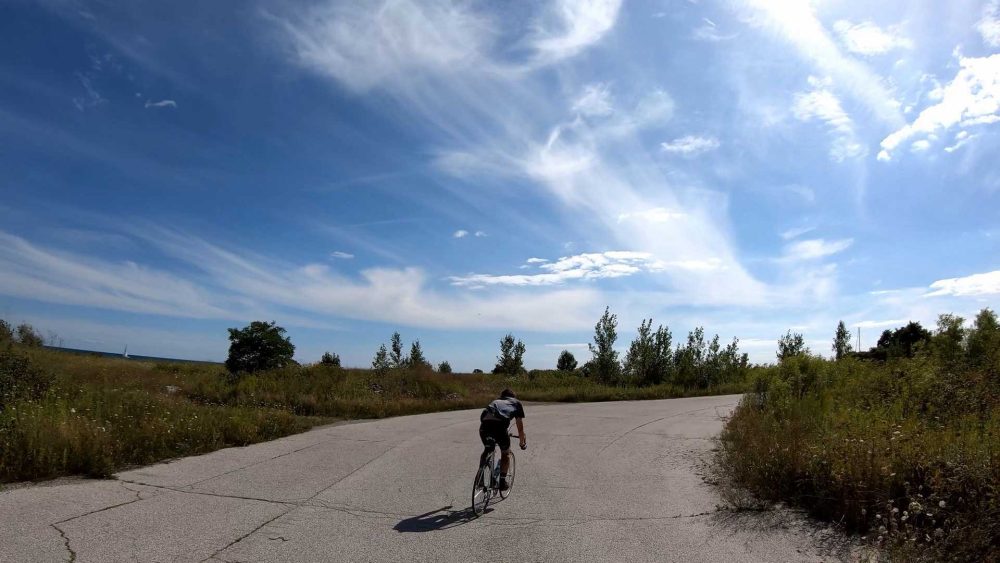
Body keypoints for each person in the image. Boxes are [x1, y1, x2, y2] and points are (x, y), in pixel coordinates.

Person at [479, 388, 526, 491]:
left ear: (502, 396)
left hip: (484, 426)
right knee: (505, 453)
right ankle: (502, 482)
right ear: (513, 396)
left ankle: (480, 476)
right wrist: (522, 443)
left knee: (488, 449)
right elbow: (520, 428)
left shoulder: (495, 401)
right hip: (500, 427)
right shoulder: (516, 403)